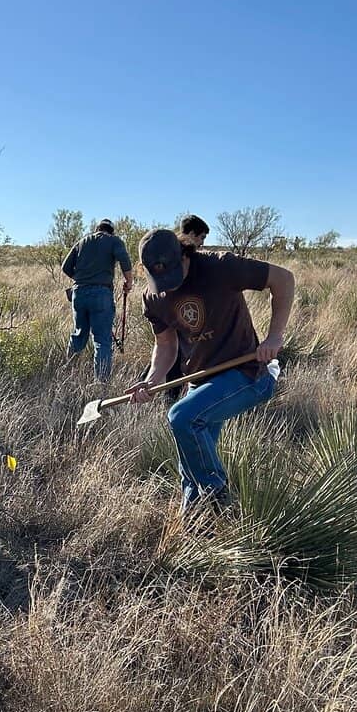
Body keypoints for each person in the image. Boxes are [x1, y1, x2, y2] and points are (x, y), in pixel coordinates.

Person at [129, 220, 294, 514]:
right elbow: (166, 346)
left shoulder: (220, 267)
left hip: (247, 373)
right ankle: (195, 524)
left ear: (184, 255)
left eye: (174, 276)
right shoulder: (153, 298)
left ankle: (217, 499)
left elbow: (283, 279)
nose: (170, 287)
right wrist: (152, 379)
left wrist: (274, 336)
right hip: (201, 380)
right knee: (190, 461)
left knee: (182, 417)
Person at [62, 218, 134, 381]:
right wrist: (129, 282)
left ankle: (66, 373)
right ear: (111, 231)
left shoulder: (82, 241)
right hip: (101, 294)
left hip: (78, 292)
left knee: (78, 335)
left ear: (97, 229)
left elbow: (66, 267)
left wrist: (82, 278)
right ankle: (101, 384)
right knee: (102, 340)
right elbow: (124, 260)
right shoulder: (114, 241)